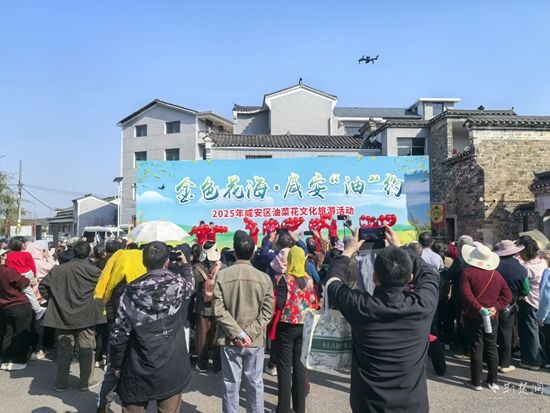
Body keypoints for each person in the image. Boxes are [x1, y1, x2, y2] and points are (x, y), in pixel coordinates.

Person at [325, 227, 438, 412]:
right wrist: (402, 248)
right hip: (412, 404)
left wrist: (348, 251)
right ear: (410, 277)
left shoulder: (361, 306)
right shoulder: (422, 305)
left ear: (374, 277)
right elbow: (428, 274)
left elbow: (332, 283)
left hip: (368, 405)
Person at [110, 241, 194, 413]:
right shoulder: (177, 285)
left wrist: (117, 364)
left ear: (144, 262)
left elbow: (119, 334)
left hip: (138, 365)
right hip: (171, 363)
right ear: (167, 262)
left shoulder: (129, 293)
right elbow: (191, 285)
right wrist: (185, 265)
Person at [212, 233, 274, 413]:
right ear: (253, 252)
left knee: (230, 383)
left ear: (235, 252)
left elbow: (218, 309)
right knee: (255, 383)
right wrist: (249, 333)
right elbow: (267, 311)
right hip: (254, 340)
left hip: (230, 338)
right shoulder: (264, 278)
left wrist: (237, 333)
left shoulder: (223, 276)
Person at [39, 241, 106, 391]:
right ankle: (86, 382)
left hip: (63, 314)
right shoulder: (96, 271)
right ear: (89, 253)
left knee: (64, 349)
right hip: (87, 315)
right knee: (87, 348)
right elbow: (104, 291)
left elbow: (43, 286)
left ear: (73, 252)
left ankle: (60, 383)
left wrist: (56, 301)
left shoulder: (58, 269)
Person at [94, 247, 147, 413]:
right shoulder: (146, 290)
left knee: (113, 370)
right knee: (135, 370)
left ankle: (103, 405)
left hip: (118, 336)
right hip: (140, 337)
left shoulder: (115, 288)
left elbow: (105, 281)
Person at [459, 243, 512, 391]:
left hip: (473, 315)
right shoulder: (496, 275)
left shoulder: (467, 273)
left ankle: (475, 382)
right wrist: (495, 307)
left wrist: (479, 308)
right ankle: (492, 381)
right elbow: (507, 295)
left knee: (477, 345)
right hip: (492, 316)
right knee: (491, 346)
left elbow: (466, 294)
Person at [273, 246, 318, 413]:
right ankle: (300, 408)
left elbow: (279, 304)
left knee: (284, 367)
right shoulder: (309, 279)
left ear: (290, 260)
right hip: (304, 326)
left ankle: (283, 408)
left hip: (286, 326)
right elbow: (313, 300)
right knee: (299, 367)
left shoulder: (284, 279)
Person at [493, 240, 530, 373]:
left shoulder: (493, 265)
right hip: (509, 304)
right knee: (506, 333)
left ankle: (489, 360)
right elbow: (525, 291)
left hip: (491, 303)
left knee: (491, 332)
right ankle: (504, 363)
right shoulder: (521, 269)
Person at [516, 235, 547, 370]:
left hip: (529, 301)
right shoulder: (542, 262)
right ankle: (542, 358)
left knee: (530, 332)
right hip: (540, 300)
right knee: (538, 332)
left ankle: (532, 361)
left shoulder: (527, 268)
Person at [193, 241, 224, 372]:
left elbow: (194, 289)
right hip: (219, 306)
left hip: (202, 307)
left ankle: (202, 364)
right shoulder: (223, 268)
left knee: (202, 337)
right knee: (217, 336)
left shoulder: (197, 268)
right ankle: (217, 365)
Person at [0, 249, 33, 371]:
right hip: (18, 304)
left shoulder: (6, 271)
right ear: (3, 256)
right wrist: (28, 279)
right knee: (21, 333)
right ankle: (18, 360)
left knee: (8, 333)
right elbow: (24, 282)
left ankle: (5, 359)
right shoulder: (8, 271)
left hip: (4, 306)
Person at [441, 234, 474, 354]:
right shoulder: (474, 256)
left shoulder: (460, 259)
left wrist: (444, 272)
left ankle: (464, 344)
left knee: (461, 318)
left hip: (461, 292)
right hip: (473, 291)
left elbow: (449, 274)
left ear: (460, 246)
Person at [26, 241, 57, 360]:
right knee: (40, 323)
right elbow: (55, 268)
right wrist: (48, 257)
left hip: (29, 294)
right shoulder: (39, 262)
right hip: (41, 295)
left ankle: (31, 347)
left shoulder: (27, 261)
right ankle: (38, 348)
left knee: (30, 322)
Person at [5, 236, 46, 320]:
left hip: (19, 275)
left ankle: (37, 309)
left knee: (27, 292)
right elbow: (32, 265)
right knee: (30, 291)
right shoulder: (27, 254)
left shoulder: (9, 255)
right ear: (22, 245)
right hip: (29, 273)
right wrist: (34, 275)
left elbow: (10, 267)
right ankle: (37, 307)